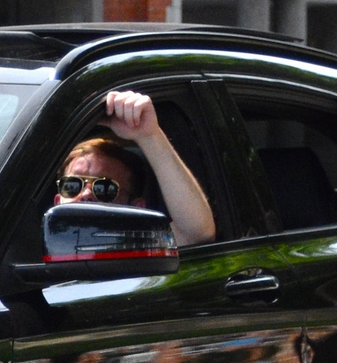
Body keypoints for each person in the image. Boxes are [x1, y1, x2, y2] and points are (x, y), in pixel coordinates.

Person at [53, 89, 217, 246]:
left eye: (104, 188)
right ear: (57, 202)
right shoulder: (31, 253)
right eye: (72, 186)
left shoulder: (139, 246)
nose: (86, 194)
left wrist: (148, 135)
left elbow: (196, 234)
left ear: (136, 207)